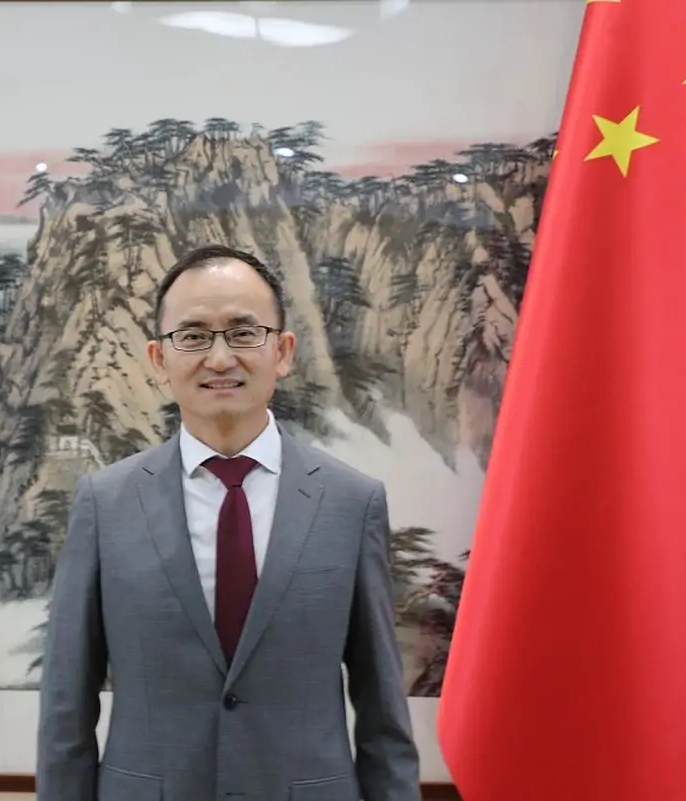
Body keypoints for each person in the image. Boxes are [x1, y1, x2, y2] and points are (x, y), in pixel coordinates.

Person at [37, 244, 421, 801]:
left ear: (283, 352)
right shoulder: (106, 503)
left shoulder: (351, 502)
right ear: (158, 359)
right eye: (193, 336)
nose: (220, 359)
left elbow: (383, 713)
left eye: (244, 333)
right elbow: (66, 708)